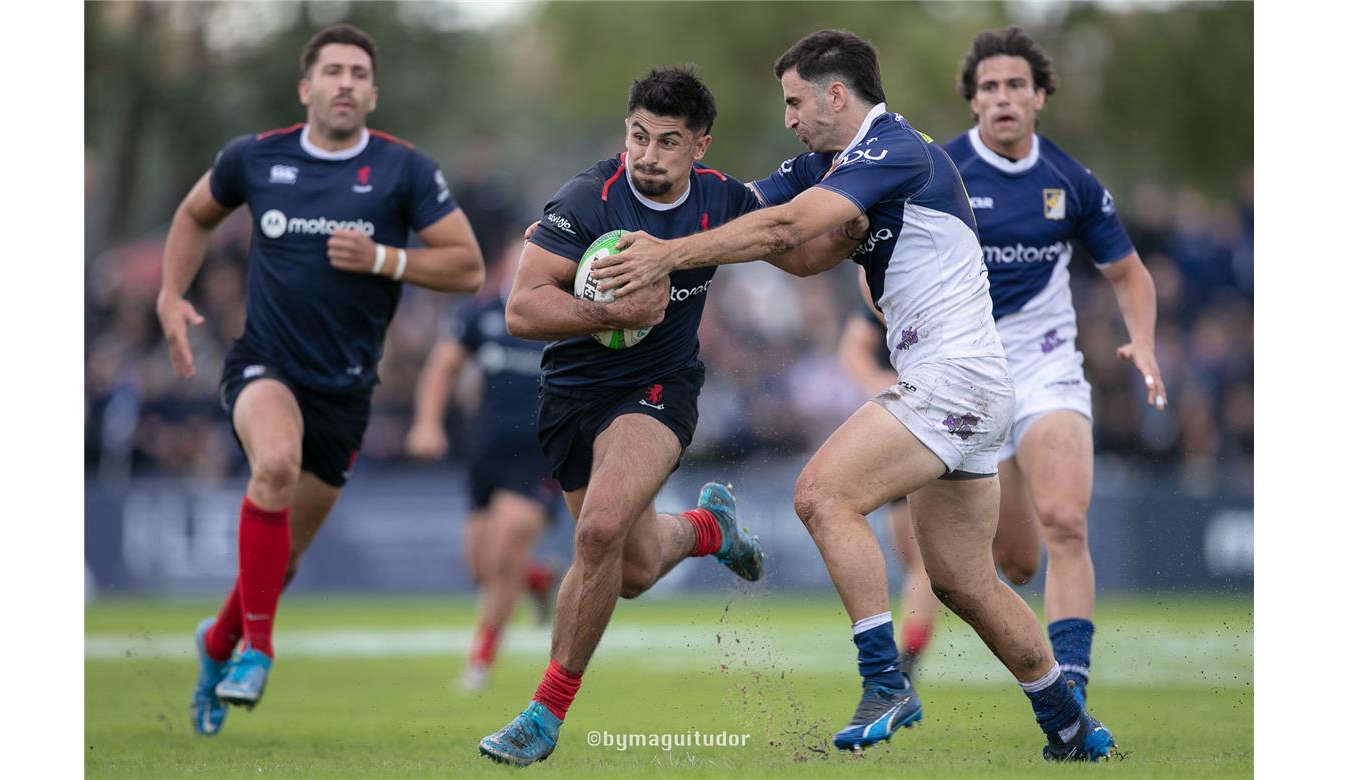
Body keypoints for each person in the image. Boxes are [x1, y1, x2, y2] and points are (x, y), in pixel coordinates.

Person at [599, 29, 1116, 761]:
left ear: (835, 95)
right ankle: (1070, 724)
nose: (788, 118)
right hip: (966, 386)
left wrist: (668, 256)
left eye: (794, 101)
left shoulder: (894, 148)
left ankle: (885, 681)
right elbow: (763, 223)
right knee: (965, 584)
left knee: (821, 495)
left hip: (954, 379)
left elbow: (782, 226)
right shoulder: (829, 163)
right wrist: (628, 204)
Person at [477, 65, 864, 766]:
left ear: (700, 148)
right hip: (570, 394)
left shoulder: (721, 200)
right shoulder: (586, 198)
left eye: (667, 142)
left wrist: (855, 229)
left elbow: (794, 252)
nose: (647, 155)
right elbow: (521, 306)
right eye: (638, 136)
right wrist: (613, 311)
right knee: (629, 568)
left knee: (596, 532)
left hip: (659, 389)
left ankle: (543, 713)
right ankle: (710, 527)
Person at [156, 24, 484, 736]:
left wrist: (385, 260)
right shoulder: (256, 158)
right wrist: (168, 295)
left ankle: (217, 644)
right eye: (331, 70)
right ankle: (258, 654)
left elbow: (468, 267)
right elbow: (192, 215)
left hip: (346, 389)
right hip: (265, 363)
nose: (344, 82)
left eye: (358, 72)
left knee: (286, 560)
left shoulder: (404, 170)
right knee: (271, 465)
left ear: (372, 93)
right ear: (306, 88)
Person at [943, 27, 1166, 708]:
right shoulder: (938, 172)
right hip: (969, 381)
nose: (1003, 98)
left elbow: (1128, 274)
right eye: (990, 88)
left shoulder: (1070, 180)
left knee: (1067, 519)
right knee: (1016, 561)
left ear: (1039, 98)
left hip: (1047, 370)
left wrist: (1145, 342)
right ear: (974, 102)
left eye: (1016, 86)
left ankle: (1071, 690)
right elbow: (879, 252)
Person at [405, 239, 562, 692]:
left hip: (539, 456)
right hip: (487, 452)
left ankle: (480, 663)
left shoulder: (566, 317)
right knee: (482, 567)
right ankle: (534, 578)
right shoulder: (484, 315)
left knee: (505, 547)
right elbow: (442, 367)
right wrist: (427, 423)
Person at [835, 269, 942, 679]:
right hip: (900, 424)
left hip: (943, 420)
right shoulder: (882, 291)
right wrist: (880, 383)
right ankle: (908, 656)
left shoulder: (944, 289)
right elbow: (853, 351)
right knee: (918, 560)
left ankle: (906, 660)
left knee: (933, 561)